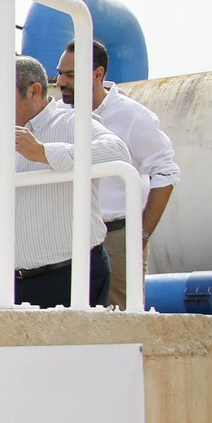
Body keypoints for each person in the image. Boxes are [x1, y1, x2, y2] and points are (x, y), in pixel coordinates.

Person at [0, 56, 130, 308]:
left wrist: (43, 152)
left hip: (72, 276)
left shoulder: (71, 121)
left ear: (34, 90)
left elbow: (117, 151)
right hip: (10, 283)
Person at [55, 39, 180, 309]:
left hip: (116, 238)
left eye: (71, 74)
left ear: (98, 74)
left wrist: (142, 234)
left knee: (121, 321)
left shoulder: (132, 116)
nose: (61, 81)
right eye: (60, 73)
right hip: (66, 238)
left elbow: (166, 171)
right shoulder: (57, 114)